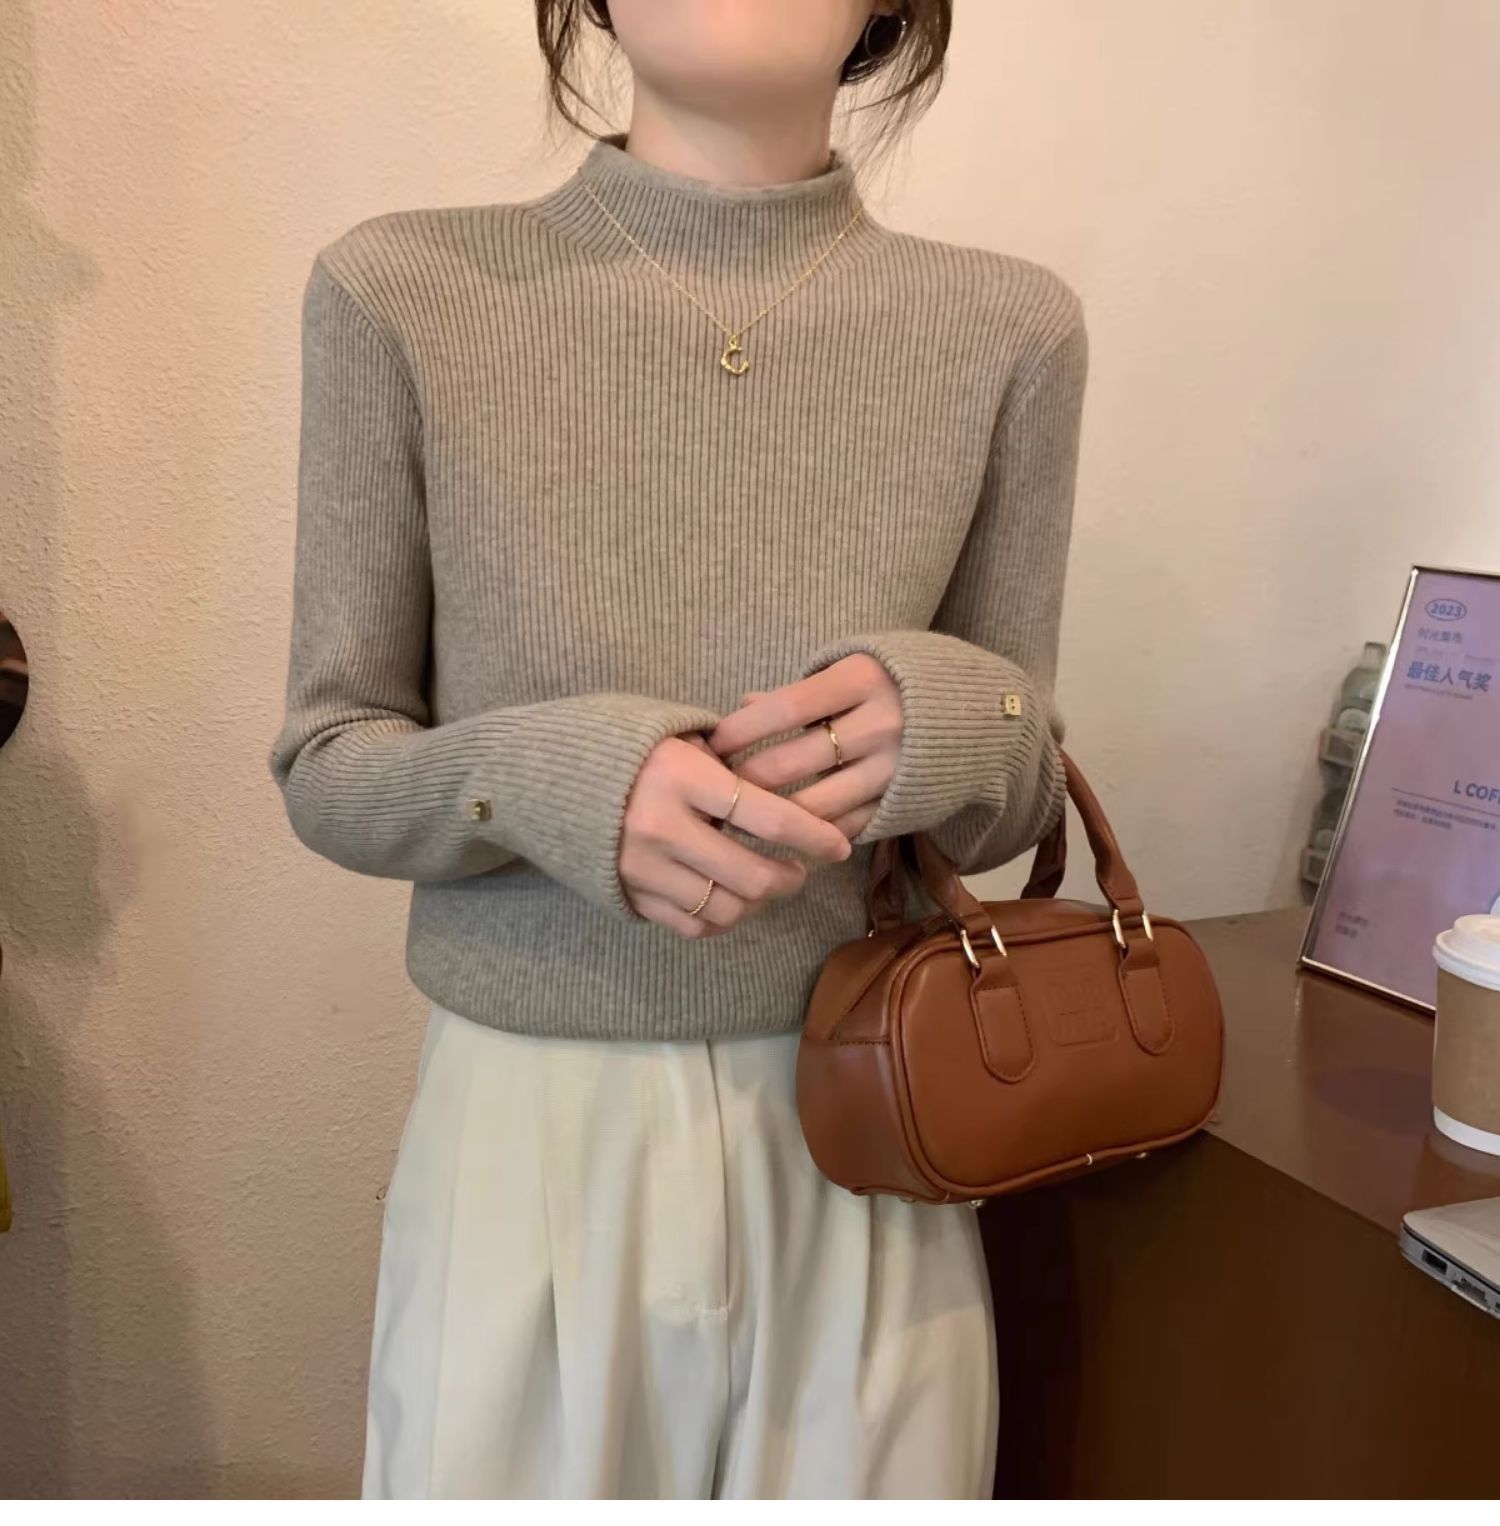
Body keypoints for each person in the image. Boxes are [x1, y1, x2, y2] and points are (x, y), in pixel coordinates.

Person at [269, 0, 1088, 1500]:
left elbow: (1016, 789)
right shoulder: (400, 292)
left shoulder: (1009, 328)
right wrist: (567, 779)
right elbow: (330, 759)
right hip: (531, 1141)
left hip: (875, 1124)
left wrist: (950, 716)